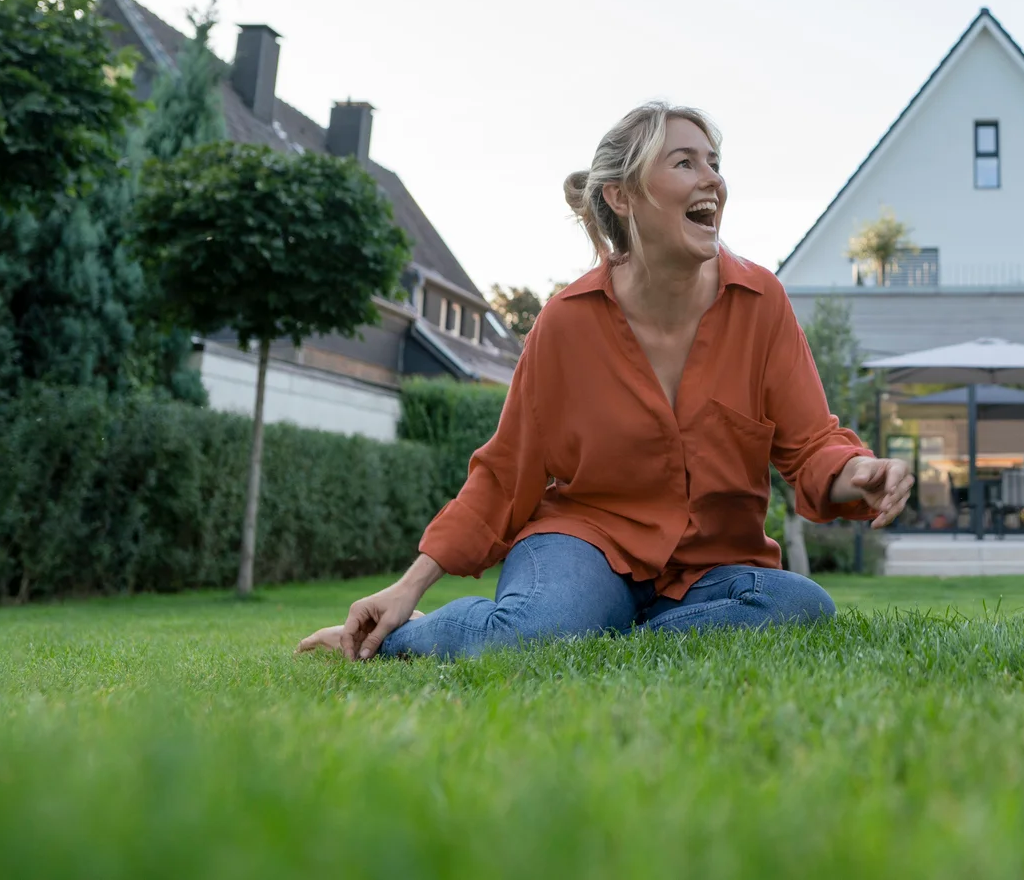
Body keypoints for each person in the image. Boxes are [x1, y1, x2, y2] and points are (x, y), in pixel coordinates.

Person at [295, 102, 913, 661]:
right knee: (541, 631)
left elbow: (810, 445)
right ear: (623, 196)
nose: (712, 180)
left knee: (803, 609)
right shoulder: (567, 322)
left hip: (709, 568)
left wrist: (854, 473)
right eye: (685, 162)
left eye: (715, 163)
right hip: (583, 545)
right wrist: (407, 588)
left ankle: (594, 635)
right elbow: (506, 471)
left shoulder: (762, 302)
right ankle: (423, 636)